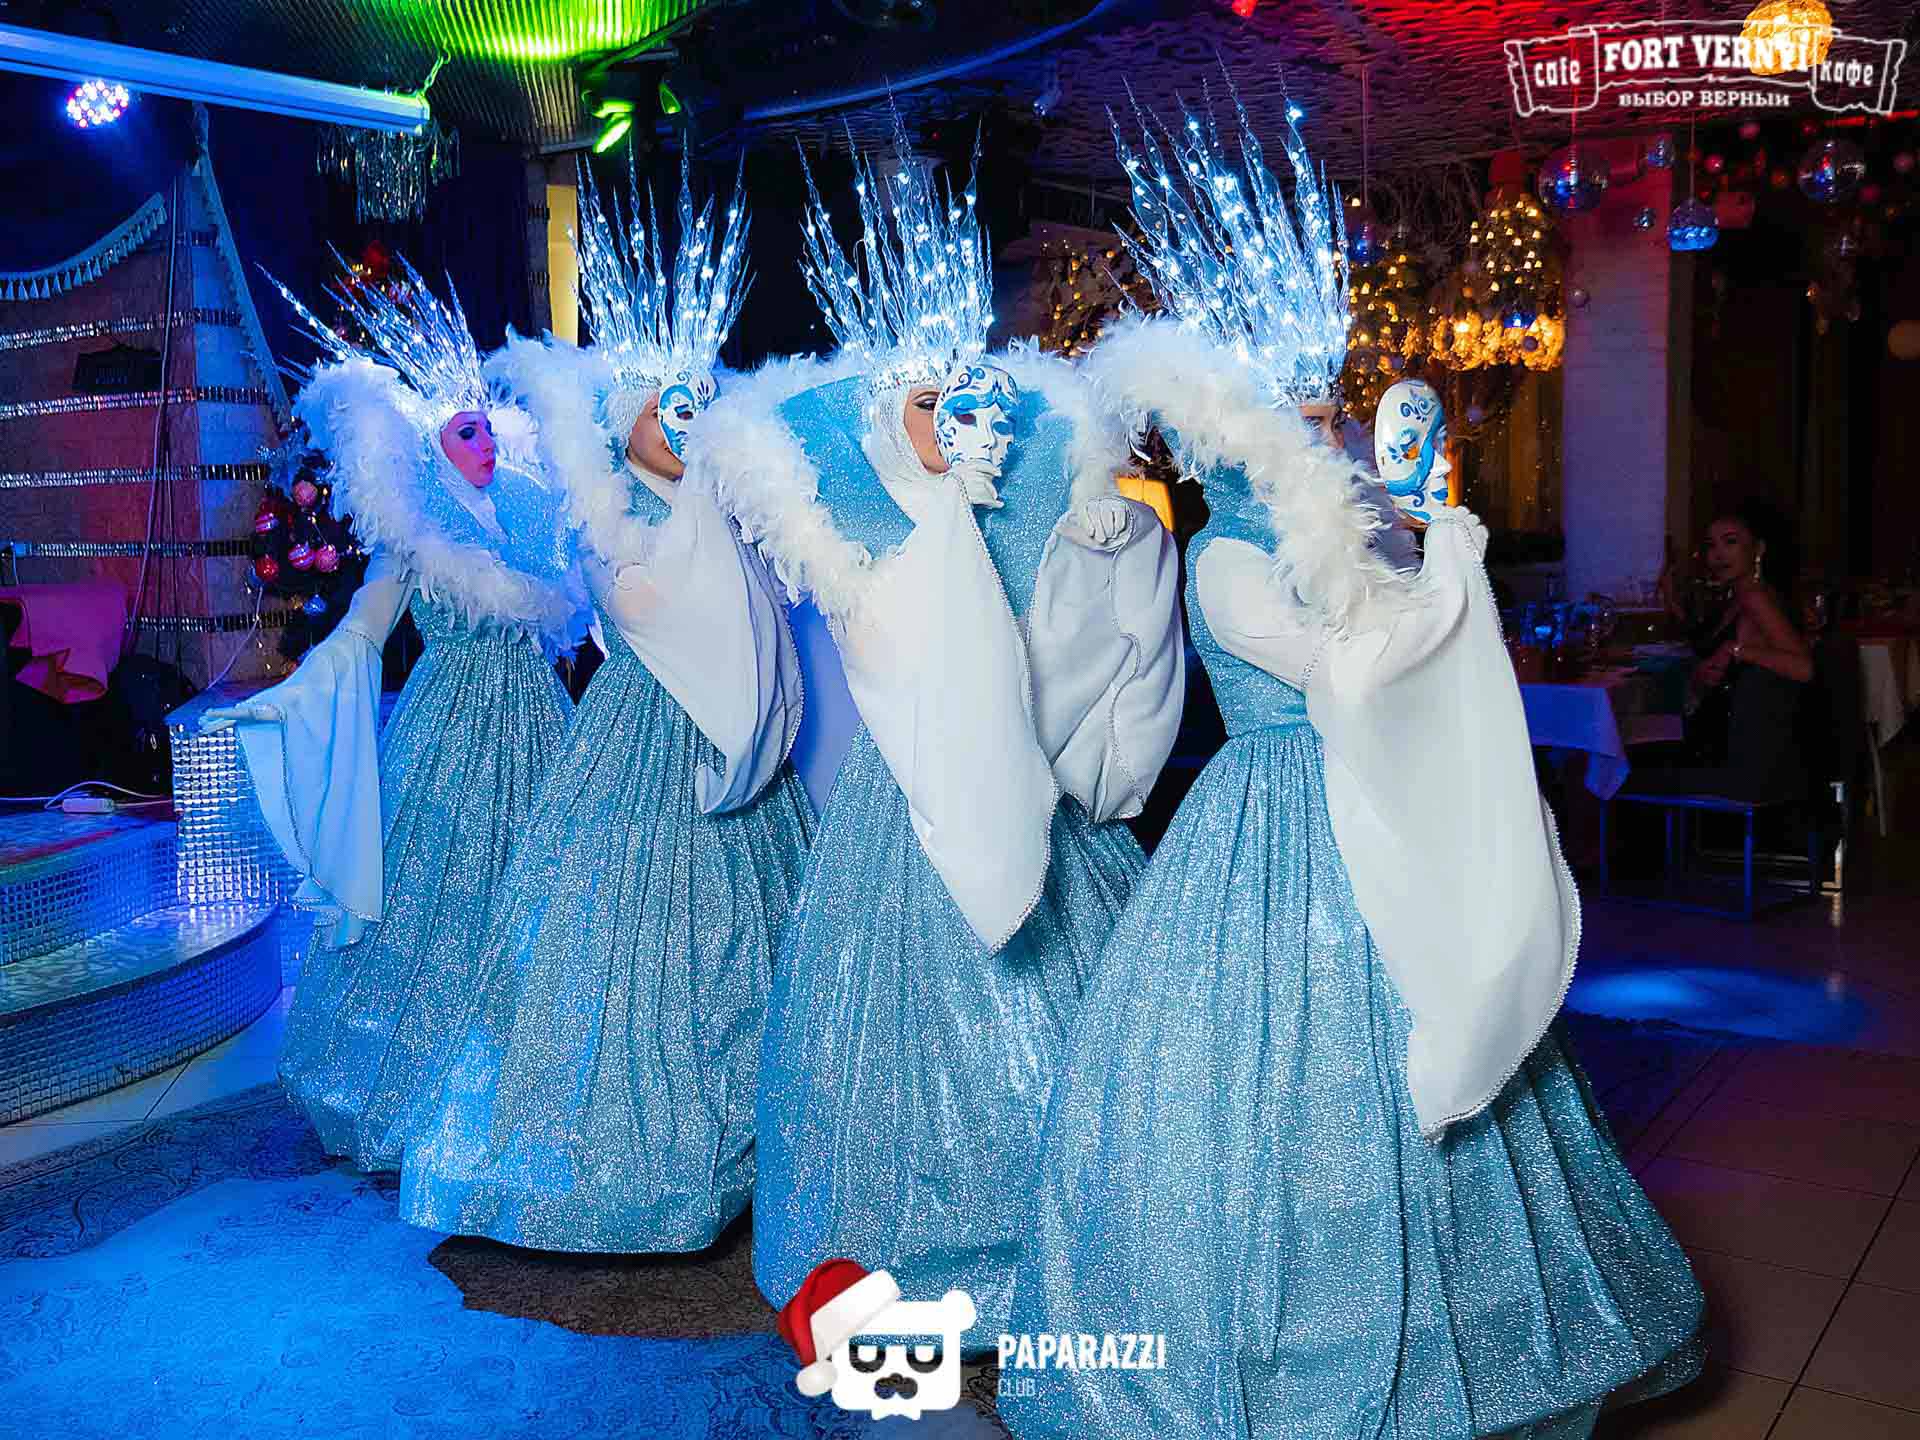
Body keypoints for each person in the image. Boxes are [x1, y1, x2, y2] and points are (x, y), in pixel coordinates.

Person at [1000, 96, 1703, 1440]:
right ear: (1232, 436)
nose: (1317, 430)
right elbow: (1354, 672)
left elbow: (1404, 660)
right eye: (1295, 413)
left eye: (1320, 408)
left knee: (1427, 1042)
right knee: (1281, 1084)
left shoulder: (1344, 535)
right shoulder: (1224, 557)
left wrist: (1424, 540)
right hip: (1274, 826)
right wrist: (1445, 560)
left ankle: (1468, 1330)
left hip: (1370, 801)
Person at [686, 130, 1184, 1341]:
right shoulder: (859, 537)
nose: (951, 423)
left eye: (963, 403)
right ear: (886, 418)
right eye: (923, 405)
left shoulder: (1025, 511)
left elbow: (1074, 659)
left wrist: (1095, 544)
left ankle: (1069, 1232)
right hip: (901, 807)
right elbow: (890, 656)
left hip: (1034, 795)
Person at [396, 160, 813, 1252]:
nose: (684, 424)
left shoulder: (714, 506)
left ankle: (772, 1136)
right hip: (641, 742)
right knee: (620, 953)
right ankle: (629, 1159)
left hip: (737, 741)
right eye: (664, 409)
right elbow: (645, 611)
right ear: (623, 418)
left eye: (694, 407)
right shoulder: (601, 515)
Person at [202, 260, 584, 1172]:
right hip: (451, 729)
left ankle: (535, 1088)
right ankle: (426, 1088)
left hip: (538, 721)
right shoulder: (416, 532)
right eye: (464, 431)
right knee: (437, 900)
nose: (483, 443)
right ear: (433, 447)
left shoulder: (528, 518)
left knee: (547, 895)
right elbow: (363, 631)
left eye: (487, 427)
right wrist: (293, 693)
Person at [1638, 503, 1813, 802]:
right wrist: (1673, 602)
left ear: (1758, 549)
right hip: (1720, 744)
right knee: (1620, 750)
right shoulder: (1740, 595)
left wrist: (1737, 650)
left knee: (1602, 764)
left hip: (1736, 762)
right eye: (1711, 545)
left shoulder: (1756, 597)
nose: (1718, 554)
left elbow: (1803, 668)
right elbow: (1707, 649)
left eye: (1730, 542)